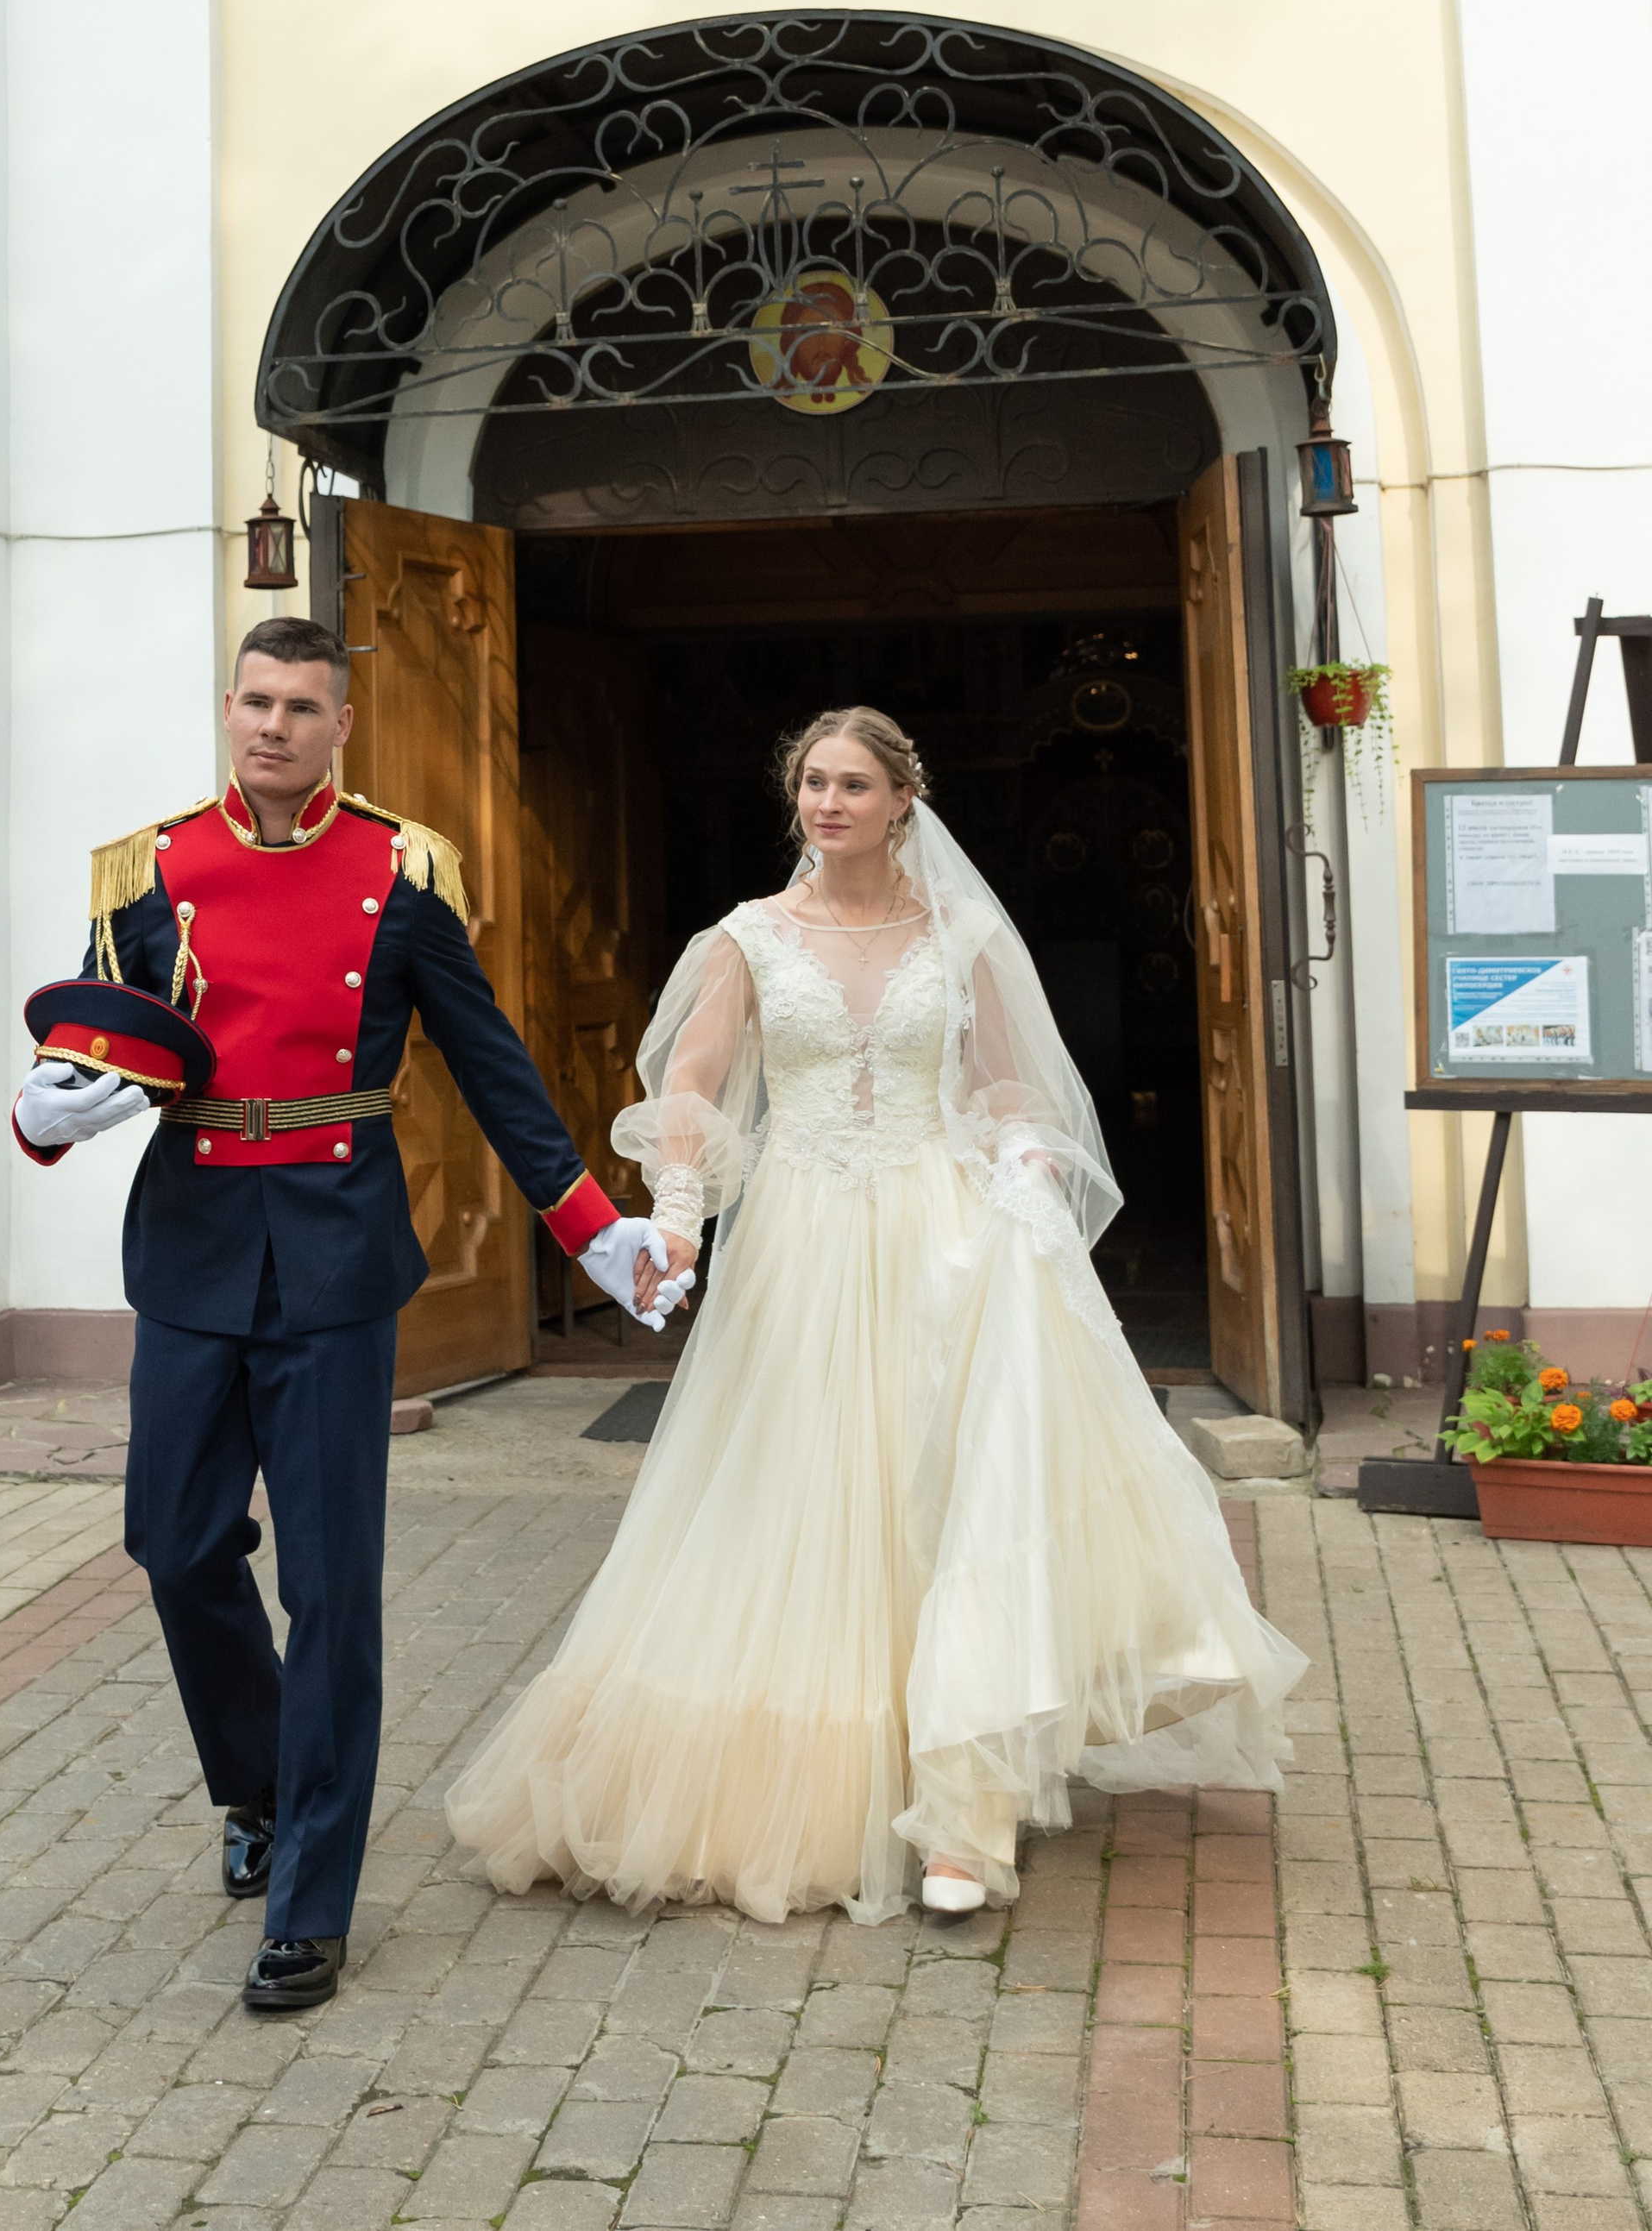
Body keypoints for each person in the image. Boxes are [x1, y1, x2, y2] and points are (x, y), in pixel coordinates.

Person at [446, 704, 1304, 1922]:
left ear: (905, 798)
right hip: (797, 1236)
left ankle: (966, 1791)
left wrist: (1021, 1159)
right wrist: (677, 1217)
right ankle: (805, 1767)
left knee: (950, 1489)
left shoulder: (963, 933)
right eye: (813, 781)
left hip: (939, 1231)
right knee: (798, 1485)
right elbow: (692, 1082)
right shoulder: (746, 936)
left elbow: (1006, 1082)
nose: (828, 802)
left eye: (853, 783)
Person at [14, 615, 689, 2009]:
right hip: (194, 1245)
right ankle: (259, 1782)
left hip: (333, 1253)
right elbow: (97, 1050)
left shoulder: (400, 868)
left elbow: (490, 1061)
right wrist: (41, 1116)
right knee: (174, 1543)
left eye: (301, 706)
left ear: (340, 725)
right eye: (256, 701)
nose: (274, 725)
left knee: (329, 1585)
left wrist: (590, 1225)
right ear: (230, 707)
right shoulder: (147, 870)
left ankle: (310, 1901)